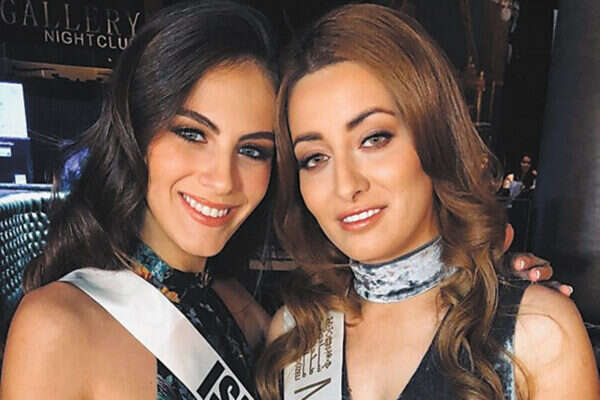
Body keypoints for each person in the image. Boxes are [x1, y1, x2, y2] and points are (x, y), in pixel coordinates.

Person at [257, 4, 598, 400]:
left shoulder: (535, 333)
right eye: (315, 158)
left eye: (374, 139)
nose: (345, 185)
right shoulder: (294, 336)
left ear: (435, 137)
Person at [0, 1, 278, 398]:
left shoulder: (241, 309)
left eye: (252, 150)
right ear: (137, 132)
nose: (222, 180)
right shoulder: (57, 327)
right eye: (192, 134)